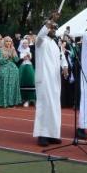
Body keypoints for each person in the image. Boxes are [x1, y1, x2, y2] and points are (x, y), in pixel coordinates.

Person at [33, 12, 69, 147]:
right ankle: (42, 135)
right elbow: (41, 34)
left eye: (55, 28)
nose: (54, 30)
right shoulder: (40, 42)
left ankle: (53, 134)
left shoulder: (55, 43)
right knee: (45, 106)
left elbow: (62, 57)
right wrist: (51, 20)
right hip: (44, 79)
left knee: (54, 106)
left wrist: (65, 67)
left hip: (55, 80)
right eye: (52, 28)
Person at [0, 36, 22, 108]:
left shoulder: (13, 49)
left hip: (13, 70)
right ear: (4, 42)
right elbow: (0, 61)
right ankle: (3, 103)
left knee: (13, 86)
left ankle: (12, 102)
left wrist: (14, 54)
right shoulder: (0, 50)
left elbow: (17, 60)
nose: (8, 43)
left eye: (10, 41)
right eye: (7, 41)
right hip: (4, 69)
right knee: (4, 85)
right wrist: (8, 57)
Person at [18, 37, 37, 108]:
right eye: (24, 43)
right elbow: (18, 60)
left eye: (26, 43)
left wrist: (29, 57)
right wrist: (23, 58)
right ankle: (24, 99)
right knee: (23, 82)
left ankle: (31, 99)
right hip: (22, 67)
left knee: (31, 82)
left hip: (30, 66)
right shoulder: (19, 51)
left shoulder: (31, 50)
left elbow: (33, 59)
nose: (25, 44)